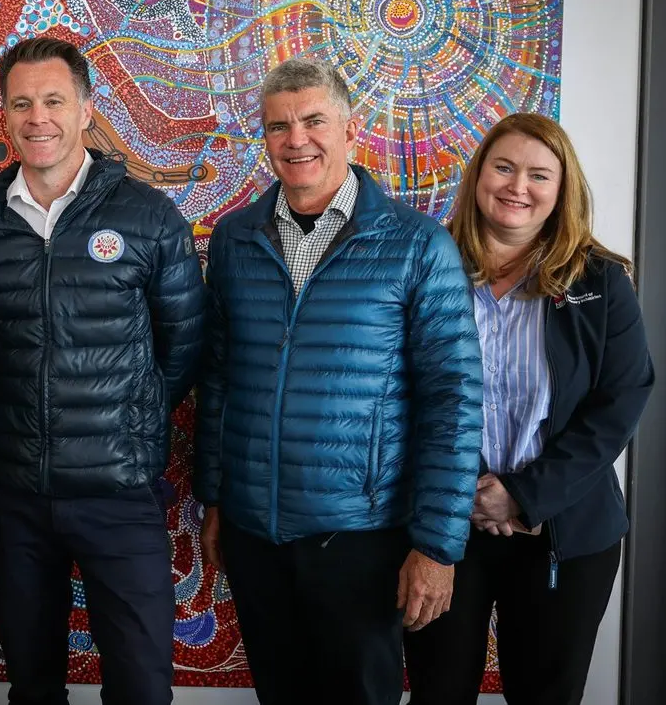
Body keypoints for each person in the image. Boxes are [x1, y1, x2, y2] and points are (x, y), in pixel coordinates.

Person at [195, 57, 484, 705]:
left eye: (313, 120)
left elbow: (453, 402)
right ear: (264, 138)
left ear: (350, 129)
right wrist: (215, 496)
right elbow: (217, 377)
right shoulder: (235, 238)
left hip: (361, 538)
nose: (296, 139)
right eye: (278, 126)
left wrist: (437, 545)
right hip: (253, 533)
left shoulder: (416, 245)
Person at [0, 37, 205, 704]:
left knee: (141, 682)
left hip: (118, 492)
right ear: (3, 115)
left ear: (85, 109)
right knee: (32, 684)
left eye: (54, 100)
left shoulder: (147, 216)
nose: (39, 117)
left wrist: (130, 417)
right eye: (22, 103)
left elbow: (182, 343)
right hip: (12, 496)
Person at [404, 113, 655, 704]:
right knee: (438, 694)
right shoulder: (423, 266)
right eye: (505, 167)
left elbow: (620, 403)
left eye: (539, 174)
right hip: (445, 527)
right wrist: (457, 492)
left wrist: (523, 493)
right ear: (479, 176)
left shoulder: (602, 283)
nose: (519, 186)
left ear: (560, 191)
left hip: (562, 534)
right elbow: (394, 393)